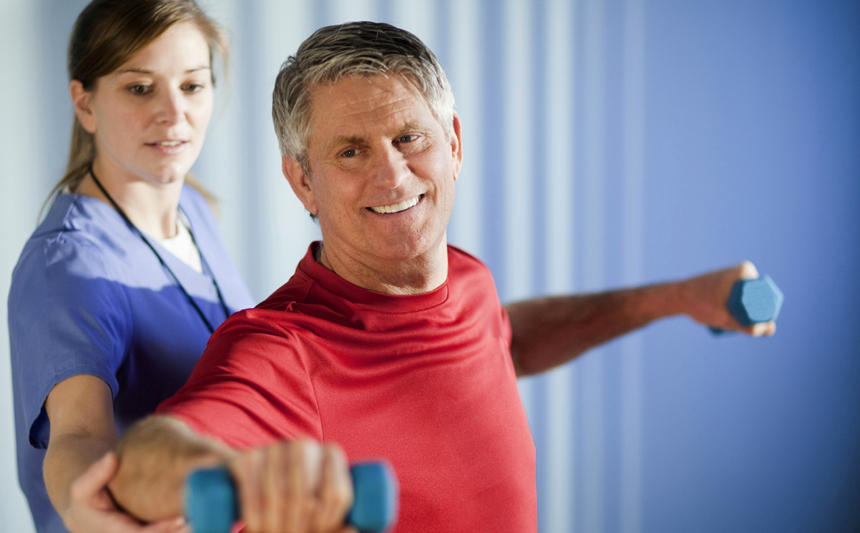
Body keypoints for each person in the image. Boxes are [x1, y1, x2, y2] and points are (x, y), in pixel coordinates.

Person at [105, 21, 776, 533]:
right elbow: (145, 462)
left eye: (409, 138)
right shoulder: (282, 348)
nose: (391, 174)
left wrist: (678, 297)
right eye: (350, 150)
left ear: (453, 143)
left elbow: (502, 340)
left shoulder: (465, 280)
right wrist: (236, 473)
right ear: (301, 179)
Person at [7, 1, 254, 532]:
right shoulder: (68, 263)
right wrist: (87, 507)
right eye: (140, 88)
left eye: (191, 86)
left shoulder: (196, 209)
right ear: (85, 104)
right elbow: (77, 435)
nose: (173, 113)